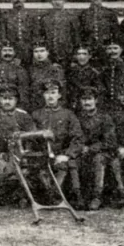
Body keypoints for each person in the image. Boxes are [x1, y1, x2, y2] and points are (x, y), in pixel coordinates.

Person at [32, 80, 84, 208]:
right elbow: (30, 137)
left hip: (61, 154)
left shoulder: (68, 115)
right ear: (43, 95)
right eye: (47, 93)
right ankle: (47, 196)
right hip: (41, 154)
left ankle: (56, 195)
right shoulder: (36, 115)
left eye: (53, 93)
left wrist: (67, 154)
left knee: (63, 165)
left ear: (59, 95)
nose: (50, 96)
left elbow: (78, 138)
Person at [76, 87, 118, 210]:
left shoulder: (104, 118)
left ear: (96, 100)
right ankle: (80, 196)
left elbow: (110, 141)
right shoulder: (78, 118)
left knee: (98, 160)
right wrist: (81, 147)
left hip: (104, 152)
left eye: (89, 99)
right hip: (83, 150)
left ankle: (97, 197)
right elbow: (75, 136)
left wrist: (90, 148)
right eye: (83, 99)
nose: (86, 102)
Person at [77, 0, 121, 67]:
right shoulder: (83, 14)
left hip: (106, 51)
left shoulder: (110, 14)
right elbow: (79, 34)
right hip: (88, 51)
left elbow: (116, 34)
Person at [38, 0, 79, 68]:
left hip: (68, 58)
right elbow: (41, 38)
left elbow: (76, 39)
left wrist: (74, 59)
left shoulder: (71, 18)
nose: (57, 2)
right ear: (50, 1)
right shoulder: (45, 18)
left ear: (64, 1)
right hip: (50, 58)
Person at [3, 0, 39, 66]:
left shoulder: (32, 15)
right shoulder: (5, 16)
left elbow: (36, 36)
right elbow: (3, 36)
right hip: (11, 53)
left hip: (29, 54)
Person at [27, 42, 65, 112]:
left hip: (51, 105)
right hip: (34, 105)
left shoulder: (55, 69)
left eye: (42, 51)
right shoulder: (29, 70)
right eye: (36, 51)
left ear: (47, 52)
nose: (39, 54)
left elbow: (61, 90)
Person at [65, 46, 104, 112]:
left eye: (84, 54)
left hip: (88, 105)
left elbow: (99, 91)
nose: (81, 57)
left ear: (90, 56)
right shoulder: (70, 72)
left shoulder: (94, 73)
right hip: (72, 105)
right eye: (79, 54)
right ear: (75, 56)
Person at [0, 41, 29, 107]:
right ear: (0, 52)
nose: (7, 53)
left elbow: (23, 91)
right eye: (4, 50)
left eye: (10, 50)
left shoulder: (20, 70)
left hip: (15, 104)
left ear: (14, 52)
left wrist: (21, 107)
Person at [102, 40, 124, 106]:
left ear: (121, 50)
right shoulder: (102, 68)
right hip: (106, 102)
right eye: (109, 48)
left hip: (122, 101)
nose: (112, 51)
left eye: (115, 48)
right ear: (106, 51)